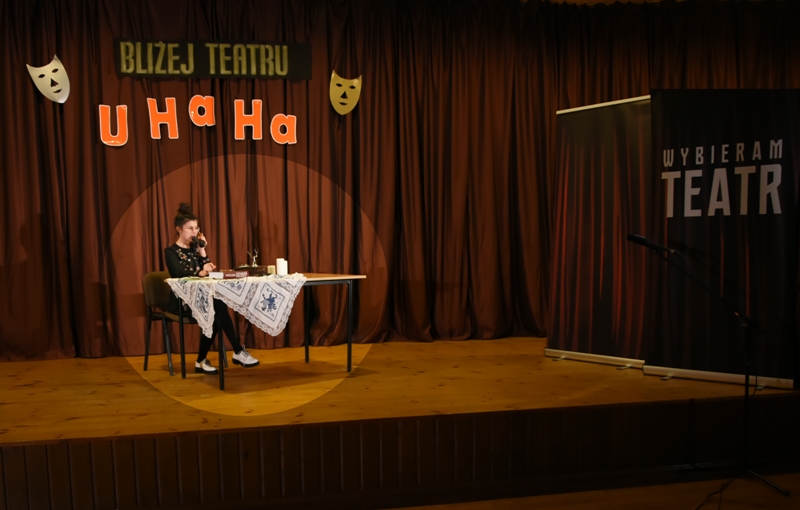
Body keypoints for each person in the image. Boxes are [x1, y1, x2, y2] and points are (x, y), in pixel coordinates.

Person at [164, 203, 259, 374]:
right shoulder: (171, 251)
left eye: (196, 228)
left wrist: (202, 250)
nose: (194, 232)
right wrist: (199, 272)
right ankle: (235, 352)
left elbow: (207, 269)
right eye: (190, 228)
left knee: (217, 309)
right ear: (179, 229)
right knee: (217, 309)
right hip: (182, 301)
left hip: (201, 298)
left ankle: (207, 359)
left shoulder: (195, 249)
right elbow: (178, 273)